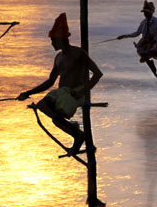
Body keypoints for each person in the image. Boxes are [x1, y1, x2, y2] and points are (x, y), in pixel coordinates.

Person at [17, 13, 103, 156]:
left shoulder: (78, 53)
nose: (52, 43)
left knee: (57, 119)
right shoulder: (59, 57)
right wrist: (28, 93)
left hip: (75, 93)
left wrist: (83, 91)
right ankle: (76, 131)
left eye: (53, 40)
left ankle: (78, 137)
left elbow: (97, 74)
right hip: (61, 93)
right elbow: (50, 81)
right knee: (43, 106)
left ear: (61, 39)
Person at [116, 0, 157, 73]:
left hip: (153, 41)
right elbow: (136, 33)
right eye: (144, 12)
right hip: (144, 42)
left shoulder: (156, 21)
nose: (145, 14)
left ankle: (147, 59)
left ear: (151, 12)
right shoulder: (143, 22)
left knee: (156, 51)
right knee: (140, 50)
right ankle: (148, 61)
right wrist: (124, 36)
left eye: (147, 12)